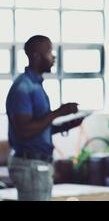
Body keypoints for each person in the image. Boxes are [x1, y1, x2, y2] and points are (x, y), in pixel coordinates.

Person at [6, 35, 83, 201]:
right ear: (36, 56)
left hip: (38, 165)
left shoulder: (36, 86)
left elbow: (37, 128)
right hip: (31, 166)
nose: (53, 56)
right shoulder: (23, 87)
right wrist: (58, 112)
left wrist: (65, 126)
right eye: (49, 52)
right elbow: (24, 131)